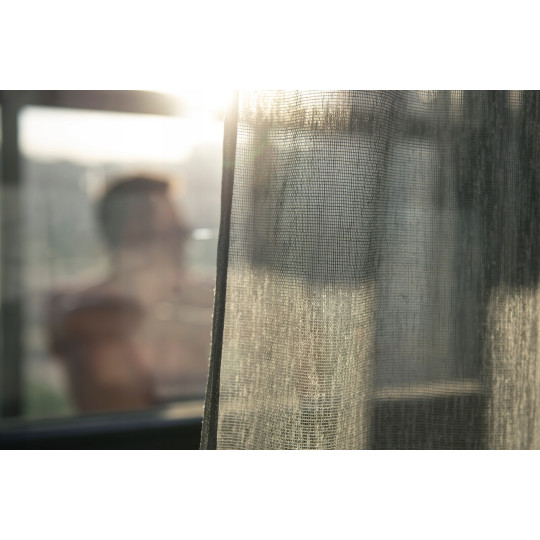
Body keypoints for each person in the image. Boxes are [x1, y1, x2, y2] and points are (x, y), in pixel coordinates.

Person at [48, 174, 214, 413]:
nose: (185, 239)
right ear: (133, 238)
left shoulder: (202, 297)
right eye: (173, 231)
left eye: (183, 230)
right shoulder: (89, 317)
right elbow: (119, 415)